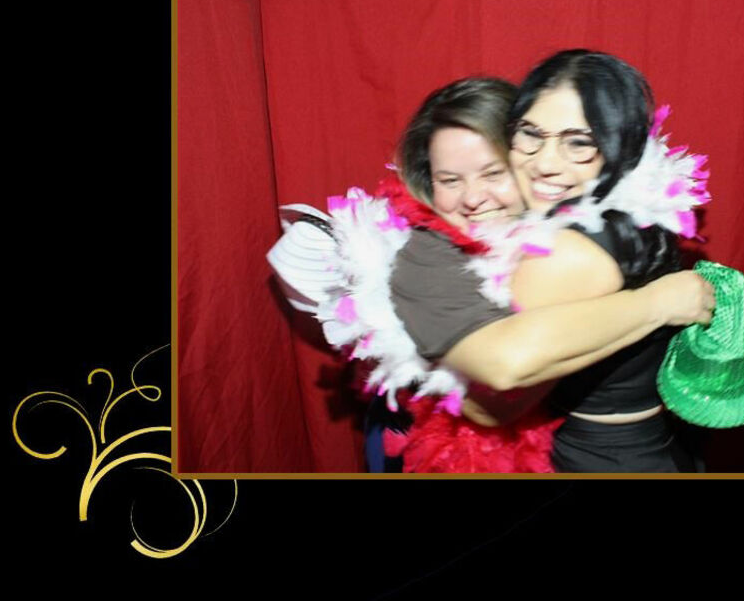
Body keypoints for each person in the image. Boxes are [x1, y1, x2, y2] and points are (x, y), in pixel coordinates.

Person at [267, 76, 715, 472]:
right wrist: (656, 303)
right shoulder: (423, 262)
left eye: (493, 173)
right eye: (450, 180)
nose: (472, 198)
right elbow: (495, 399)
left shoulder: (567, 221)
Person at [503, 49, 709, 473]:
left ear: (619, 147)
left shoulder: (567, 253)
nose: (544, 162)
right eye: (531, 133)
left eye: (578, 142)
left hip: (593, 458)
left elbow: (495, 405)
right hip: (649, 444)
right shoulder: (636, 217)